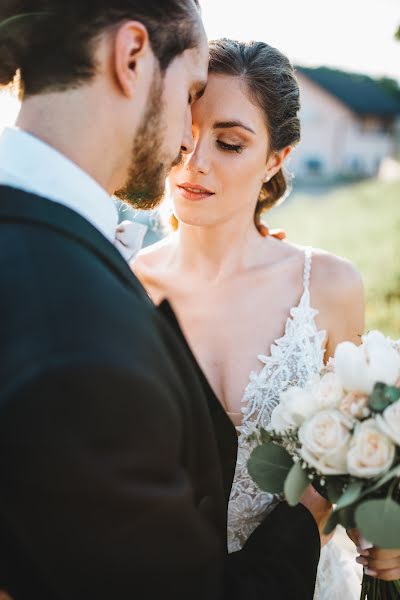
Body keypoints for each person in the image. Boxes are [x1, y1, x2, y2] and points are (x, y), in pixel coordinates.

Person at [0, 3, 328, 599]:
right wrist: (307, 516)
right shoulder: (76, 321)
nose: (186, 144)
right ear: (131, 57)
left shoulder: (53, 256)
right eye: (190, 93)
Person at [133, 38, 400, 598]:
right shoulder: (129, 286)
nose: (194, 160)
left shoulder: (327, 287)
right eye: (186, 130)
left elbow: (357, 459)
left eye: (229, 143)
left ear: (275, 158)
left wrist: (385, 530)